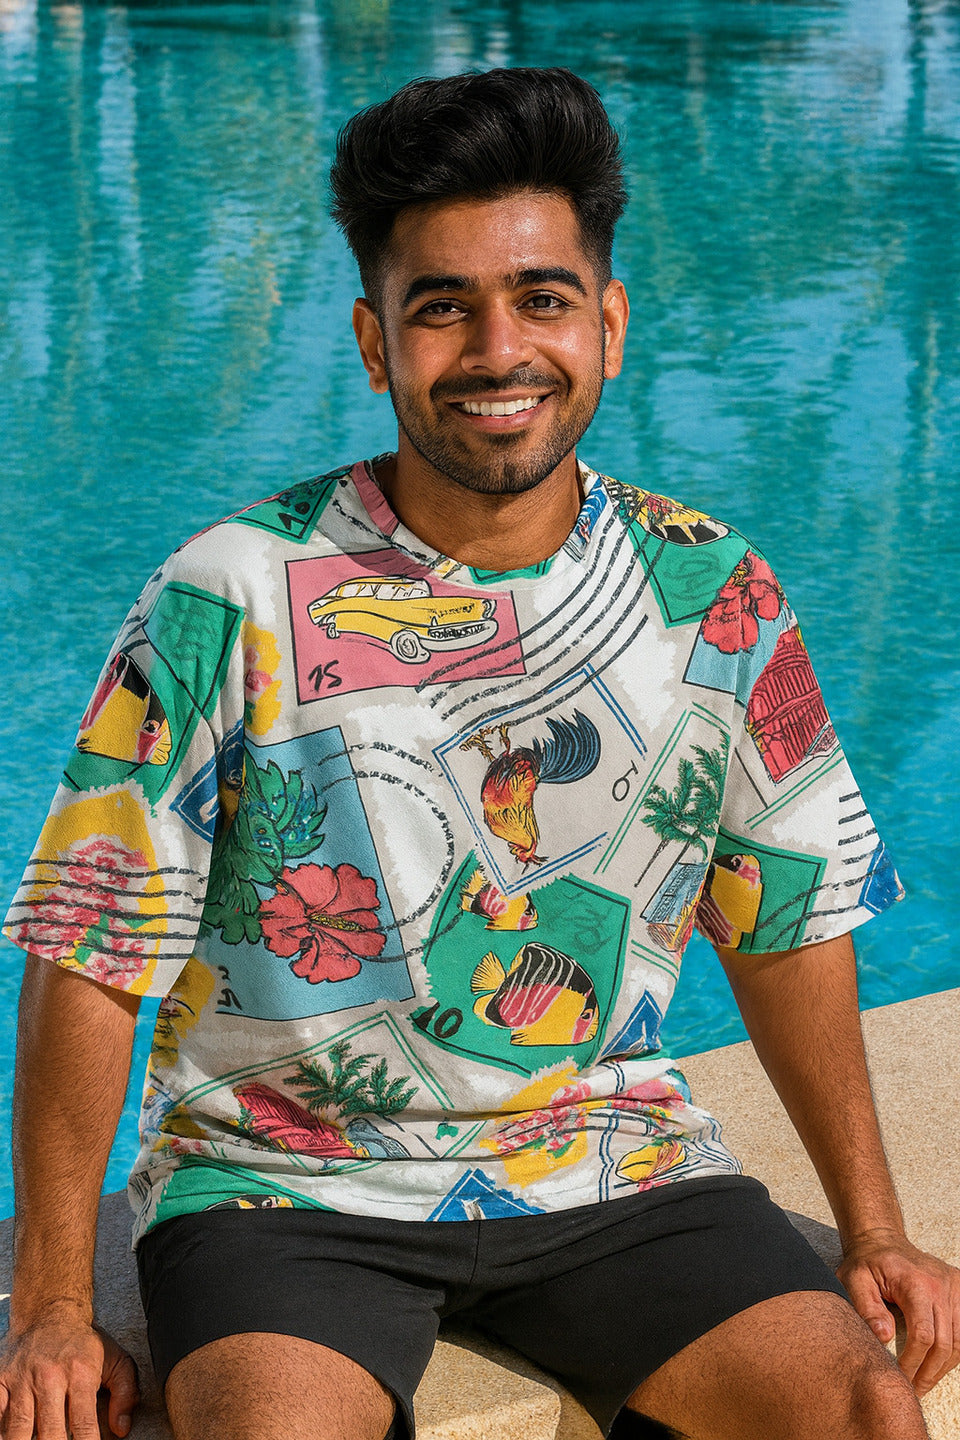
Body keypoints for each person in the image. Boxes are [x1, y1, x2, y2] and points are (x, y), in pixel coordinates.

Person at [1, 66, 957, 1440]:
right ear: (374, 340)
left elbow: (785, 917)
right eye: (442, 307)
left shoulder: (714, 592)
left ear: (608, 323)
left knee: (865, 1411)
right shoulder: (231, 594)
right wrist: (49, 1302)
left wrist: (876, 1228)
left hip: (615, 1162)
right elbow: (90, 947)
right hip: (284, 1182)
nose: (498, 351)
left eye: (542, 298)